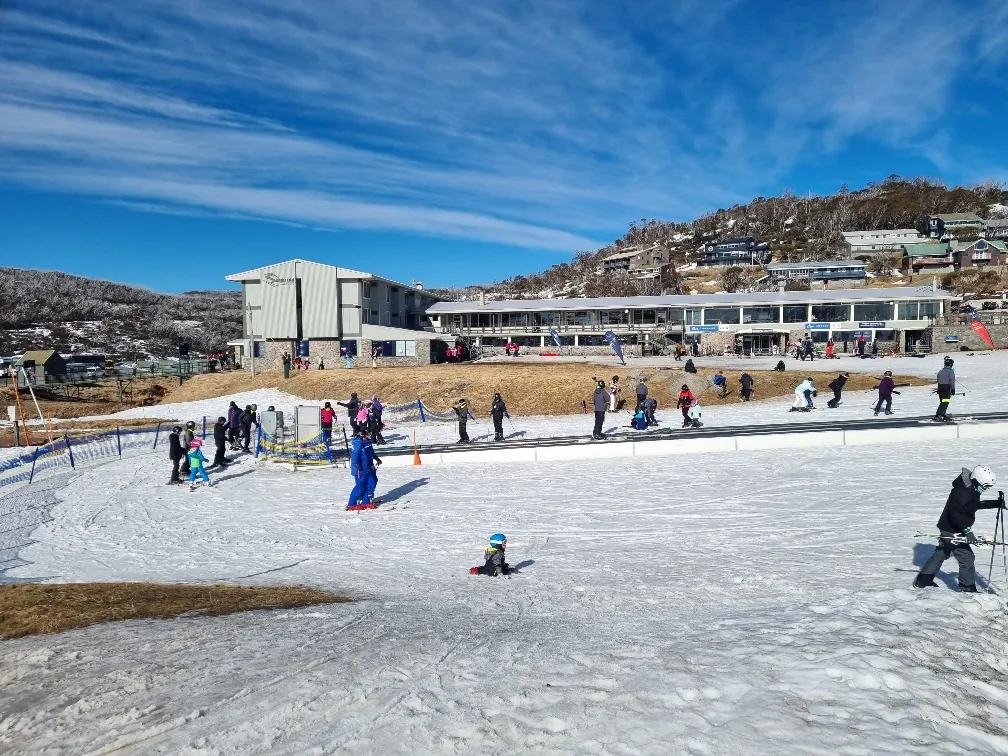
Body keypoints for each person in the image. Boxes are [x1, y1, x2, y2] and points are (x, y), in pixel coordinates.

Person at [914, 466, 1005, 591]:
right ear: (978, 480)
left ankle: (923, 580)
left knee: (942, 553)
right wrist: (968, 532)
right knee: (967, 558)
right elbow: (956, 514)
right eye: (986, 486)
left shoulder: (970, 489)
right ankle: (967, 588)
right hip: (953, 530)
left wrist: (995, 503)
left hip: (949, 527)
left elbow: (973, 505)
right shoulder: (964, 492)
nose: (986, 489)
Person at [347, 429, 368, 511]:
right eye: (365, 436)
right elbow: (354, 456)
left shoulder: (360, 443)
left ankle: (363, 501)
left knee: (363, 485)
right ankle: (351, 504)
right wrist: (356, 465)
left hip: (362, 468)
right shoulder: (358, 444)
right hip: (358, 469)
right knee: (359, 486)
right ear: (362, 436)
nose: (366, 437)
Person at [935, 356, 955, 422]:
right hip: (946, 388)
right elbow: (952, 380)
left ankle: (937, 415)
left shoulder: (940, 371)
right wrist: (953, 389)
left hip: (940, 388)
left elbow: (938, 380)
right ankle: (942, 415)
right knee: (945, 402)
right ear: (951, 365)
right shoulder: (950, 372)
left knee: (942, 402)